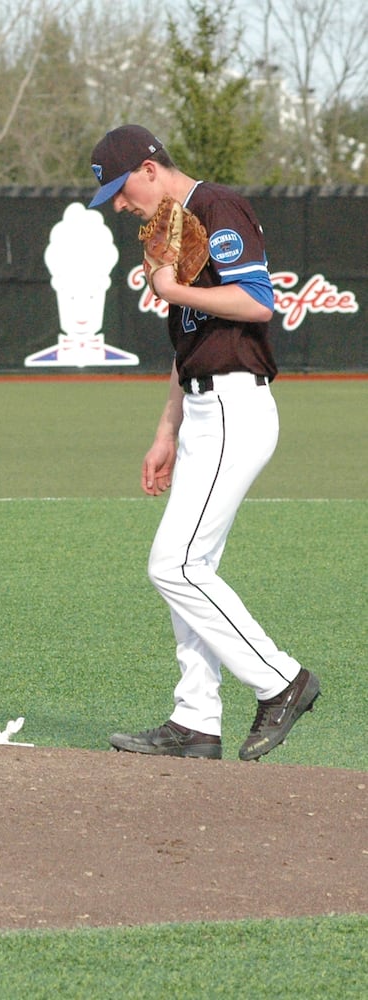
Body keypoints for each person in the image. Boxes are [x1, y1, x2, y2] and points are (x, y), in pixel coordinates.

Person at [87, 125, 317, 761]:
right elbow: (190, 344)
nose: (120, 205)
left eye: (121, 189)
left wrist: (171, 289)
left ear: (149, 167)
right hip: (202, 407)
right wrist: (166, 430)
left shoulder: (216, 210)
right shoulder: (177, 222)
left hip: (235, 407)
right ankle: (196, 720)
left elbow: (257, 302)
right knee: (193, 568)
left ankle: (282, 681)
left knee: (174, 565)